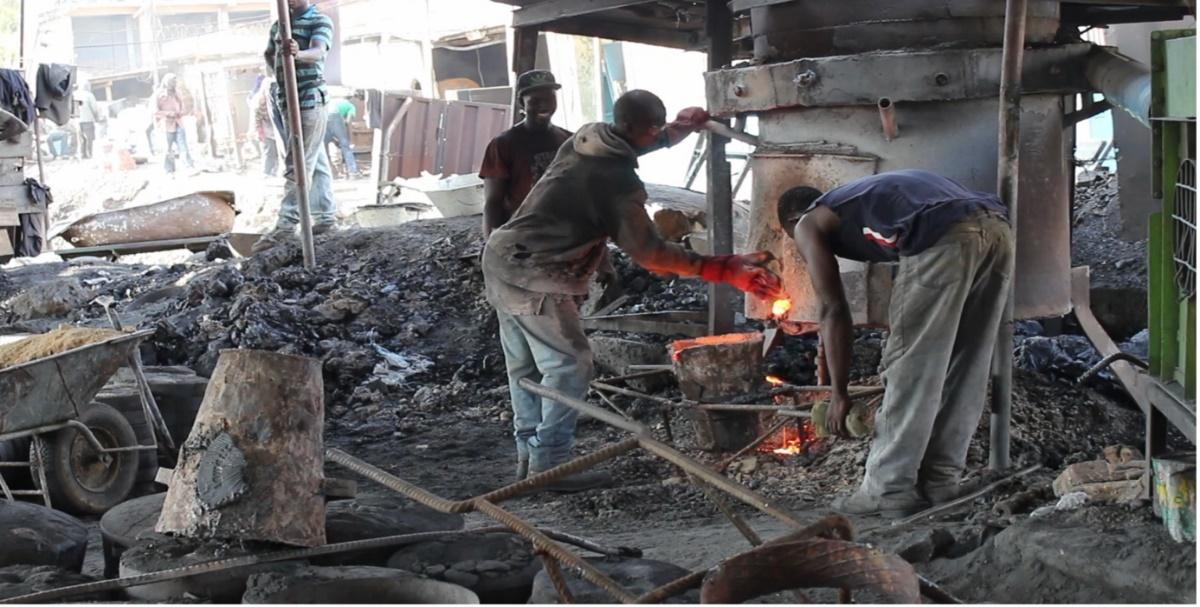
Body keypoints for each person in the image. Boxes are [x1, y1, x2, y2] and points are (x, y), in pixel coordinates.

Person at [483, 90, 785, 492]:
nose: (657, 136)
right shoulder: (615, 183)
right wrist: (721, 268)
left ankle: (529, 458)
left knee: (525, 367)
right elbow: (651, 254)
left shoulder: (585, 138)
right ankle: (549, 466)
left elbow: (631, 144)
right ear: (633, 128)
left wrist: (677, 130)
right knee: (568, 366)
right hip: (536, 273)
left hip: (502, 257)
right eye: (654, 131)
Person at [776, 169, 1012, 518]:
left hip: (942, 234)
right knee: (967, 363)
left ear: (794, 220)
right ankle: (941, 482)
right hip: (996, 229)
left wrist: (838, 394)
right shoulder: (856, 201)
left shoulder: (808, 222)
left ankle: (889, 488)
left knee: (911, 367)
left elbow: (833, 309)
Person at [253, 0, 336, 253]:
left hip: (309, 100)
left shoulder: (319, 20)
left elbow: (319, 51)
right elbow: (269, 55)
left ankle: (286, 226)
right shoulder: (280, 25)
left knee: (298, 163)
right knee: (315, 160)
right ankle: (325, 217)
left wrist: (298, 54)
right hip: (287, 100)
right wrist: (278, 77)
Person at [479, 70, 572, 238]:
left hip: (564, 230)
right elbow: (493, 202)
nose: (544, 105)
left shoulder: (569, 140)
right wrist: (491, 243)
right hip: (523, 236)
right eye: (535, 101)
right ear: (522, 103)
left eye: (549, 98)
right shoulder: (503, 144)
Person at [155, 74, 194, 174]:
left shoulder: (177, 93)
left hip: (178, 123)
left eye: (175, 81)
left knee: (183, 147)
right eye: (172, 81)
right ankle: (169, 170)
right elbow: (155, 112)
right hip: (166, 125)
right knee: (168, 149)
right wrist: (168, 113)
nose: (174, 84)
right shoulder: (158, 95)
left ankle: (189, 167)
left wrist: (182, 112)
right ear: (166, 82)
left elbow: (182, 106)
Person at [325, 96, 358, 177]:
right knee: (345, 146)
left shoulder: (334, 101)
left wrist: (335, 140)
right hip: (335, 115)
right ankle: (352, 170)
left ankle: (330, 171)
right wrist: (348, 140)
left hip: (324, 115)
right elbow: (348, 121)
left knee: (324, 146)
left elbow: (331, 131)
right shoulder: (351, 106)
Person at [75, 82, 101, 160]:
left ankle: (82, 155)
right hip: (87, 120)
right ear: (87, 87)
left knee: (81, 139)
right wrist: (97, 118)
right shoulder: (89, 95)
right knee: (90, 138)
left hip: (77, 121)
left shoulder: (75, 95)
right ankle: (90, 154)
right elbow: (94, 108)